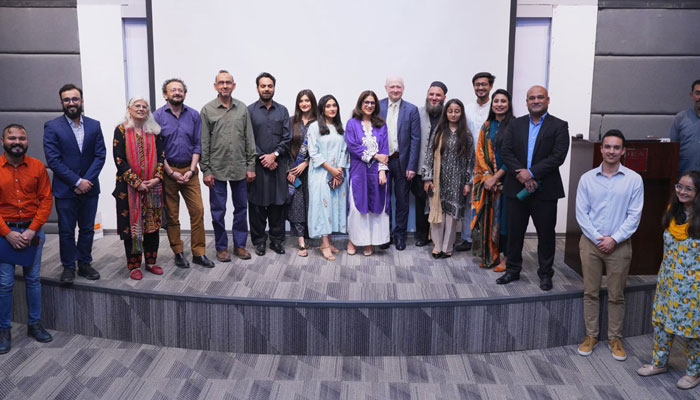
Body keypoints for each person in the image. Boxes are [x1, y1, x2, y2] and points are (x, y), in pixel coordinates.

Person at [575, 129, 643, 361]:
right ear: (601, 149)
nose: (611, 151)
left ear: (623, 151)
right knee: (590, 292)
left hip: (619, 245)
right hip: (591, 244)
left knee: (616, 295)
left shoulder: (634, 180)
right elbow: (581, 214)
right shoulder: (587, 178)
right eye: (607, 147)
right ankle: (591, 336)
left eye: (616, 147)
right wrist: (597, 238)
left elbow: (634, 216)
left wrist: (614, 239)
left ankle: (615, 338)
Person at [496, 85, 569, 291]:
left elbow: (558, 157)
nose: (535, 101)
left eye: (540, 97)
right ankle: (512, 270)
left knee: (546, 234)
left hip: (545, 190)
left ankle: (545, 274)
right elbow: (506, 151)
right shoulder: (515, 125)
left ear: (547, 100)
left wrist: (532, 173)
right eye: (531, 98)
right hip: (515, 187)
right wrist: (522, 173)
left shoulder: (559, 126)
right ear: (526, 102)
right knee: (514, 232)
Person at [637, 171, 700, 390]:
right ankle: (659, 363)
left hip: (694, 287)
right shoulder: (672, 212)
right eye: (679, 186)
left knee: (694, 330)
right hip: (668, 281)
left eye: (689, 188)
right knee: (662, 324)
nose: (682, 191)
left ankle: (693, 372)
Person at [43, 83, 105, 283]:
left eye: (75, 99)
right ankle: (69, 266)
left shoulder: (94, 125)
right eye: (67, 99)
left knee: (87, 229)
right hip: (66, 189)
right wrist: (77, 181)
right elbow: (53, 160)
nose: (71, 103)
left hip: (90, 188)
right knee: (67, 230)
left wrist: (87, 181)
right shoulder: (52, 126)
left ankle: (85, 263)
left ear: (81, 101)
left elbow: (100, 155)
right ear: (62, 102)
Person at [0, 124, 53, 354]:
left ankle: (34, 324)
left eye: (22, 138)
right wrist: (7, 233)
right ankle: (3, 330)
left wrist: (32, 230)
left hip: (32, 232)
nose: (17, 142)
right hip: (4, 233)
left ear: (27, 141)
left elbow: (46, 200)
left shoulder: (37, 166)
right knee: (5, 283)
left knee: (33, 280)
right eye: (12, 138)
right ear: (3, 140)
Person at [154, 78, 214, 269]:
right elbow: (157, 149)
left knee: (198, 211)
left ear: (185, 94)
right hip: (168, 171)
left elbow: (198, 144)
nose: (177, 93)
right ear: (165, 94)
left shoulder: (194, 115)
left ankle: (199, 253)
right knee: (172, 215)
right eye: (173, 90)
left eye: (180, 90)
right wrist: (170, 172)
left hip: (190, 171)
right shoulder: (156, 117)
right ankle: (178, 252)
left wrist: (191, 170)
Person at [200, 70, 256, 261]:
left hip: (240, 168)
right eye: (221, 82)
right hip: (217, 170)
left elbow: (249, 138)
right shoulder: (207, 110)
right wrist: (205, 170)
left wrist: (251, 166)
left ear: (234, 85)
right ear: (215, 86)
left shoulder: (242, 109)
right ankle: (221, 247)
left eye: (228, 82)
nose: (225, 85)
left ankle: (240, 245)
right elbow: (204, 142)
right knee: (218, 211)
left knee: (241, 209)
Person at [112, 97, 165, 280]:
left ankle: (151, 262)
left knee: (152, 227)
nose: (141, 109)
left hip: (153, 188)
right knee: (132, 227)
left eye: (144, 106)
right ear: (130, 108)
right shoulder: (121, 130)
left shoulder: (155, 131)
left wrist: (157, 178)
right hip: (128, 189)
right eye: (137, 106)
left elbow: (161, 156)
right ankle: (134, 265)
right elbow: (119, 160)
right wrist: (137, 182)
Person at [422, 99, 475, 258]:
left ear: (461, 113)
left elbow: (470, 160)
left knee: (452, 217)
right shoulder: (439, 131)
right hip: (438, 180)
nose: (453, 114)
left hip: (457, 181)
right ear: (446, 113)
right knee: (437, 214)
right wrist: (427, 178)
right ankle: (437, 246)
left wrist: (468, 182)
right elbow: (429, 156)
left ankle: (447, 247)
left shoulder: (466, 134)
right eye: (450, 111)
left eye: (456, 111)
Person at [247, 72, 291, 256]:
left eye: (270, 86)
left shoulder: (282, 111)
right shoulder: (248, 111)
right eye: (263, 86)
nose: (266, 89)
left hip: (278, 166)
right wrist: (263, 157)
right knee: (257, 206)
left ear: (274, 87)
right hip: (256, 166)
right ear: (257, 88)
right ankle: (259, 242)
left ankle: (276, 241)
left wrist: (274, 155)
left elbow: (287, 138)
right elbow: (246, 139)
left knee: (277, 205)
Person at [471, 89, 514, 270]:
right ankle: (491, 255)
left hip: (509, 181)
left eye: (503, 101)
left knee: (506, 222)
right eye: (496, 101)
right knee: (489, 219)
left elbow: (515, 155)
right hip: (489, 184)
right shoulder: (487, 126)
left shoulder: (516, 126)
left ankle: (507, 258)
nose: (499, 104)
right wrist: (488, 177)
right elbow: (480, 152)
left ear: (509, 104)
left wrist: (497, 177)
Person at [345, 90, 391, 256]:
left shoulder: (381, 125)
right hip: (359, 171)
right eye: (366, 102)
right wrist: (374, 155)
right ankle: (353, 240)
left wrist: (382, 171)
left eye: (372, 103)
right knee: (358, 207)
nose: (369, 105)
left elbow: (385, 149)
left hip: (377, 171)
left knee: (375, 206)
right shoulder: (352, 124)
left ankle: (369, 242)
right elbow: (352, 146)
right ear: (360, 104)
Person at [379, 76, 420, 251]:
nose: (395, 90)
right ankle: (384, 235)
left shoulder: (411, 110)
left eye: (399, 87)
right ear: (386, 88)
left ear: (403, 88)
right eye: (392, 87)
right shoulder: (377, 106)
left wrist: (412, 166)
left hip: (401, 162)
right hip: (382, 161)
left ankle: (400, 235)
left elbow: (415, 139)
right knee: (383, 200)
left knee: (402, 201)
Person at [457, 72, 495, 252]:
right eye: (477, 85)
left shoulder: (495, 108)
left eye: (484, 84)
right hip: (469, 162)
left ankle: (487, 240)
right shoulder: (468, 109)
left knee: (488, 201)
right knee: (468, 200)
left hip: (489, 164)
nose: (480, 88)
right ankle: (467, 238)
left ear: (491, 86)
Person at [307, 95, 348, 260]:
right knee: (323, 208)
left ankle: (329, 241)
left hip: (337, 174)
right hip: (320, 174)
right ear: (322, 109)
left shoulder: (340, 127)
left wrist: (339, 171)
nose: (332, 108)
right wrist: (331, 170)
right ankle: (324, 244)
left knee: (333, 207)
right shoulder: (314, 127)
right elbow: (313, 152)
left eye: (334, 105)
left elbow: (344, 150)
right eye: (328, 106)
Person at [415, 81, 448, 247]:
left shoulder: (449, 114)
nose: (434, 98)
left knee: (439, 202)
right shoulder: (418, 113)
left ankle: (437, 238)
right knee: (421, 201)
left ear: (444, 97)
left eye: (438, 95)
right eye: (431, 94)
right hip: (420, 167)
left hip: (442, 169)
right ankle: (421, 234)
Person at [287, 90, 317, 257]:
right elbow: (285, 147)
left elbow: (322, 150)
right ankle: (300, 241)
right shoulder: (292, 122)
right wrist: (290, 171)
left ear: (312, 102)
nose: (304, 103)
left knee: (312, 204)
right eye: (301, 101)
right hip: (295, 170)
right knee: (297, 205)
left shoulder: (319, 123)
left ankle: (312, 235)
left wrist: (306, 162)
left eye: (307, 100)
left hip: (313, 170)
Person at [669, 79, 700, 176]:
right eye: (698, 93)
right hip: (684, 177)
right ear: (691, 95)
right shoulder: (680, 118)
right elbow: (672, 150)